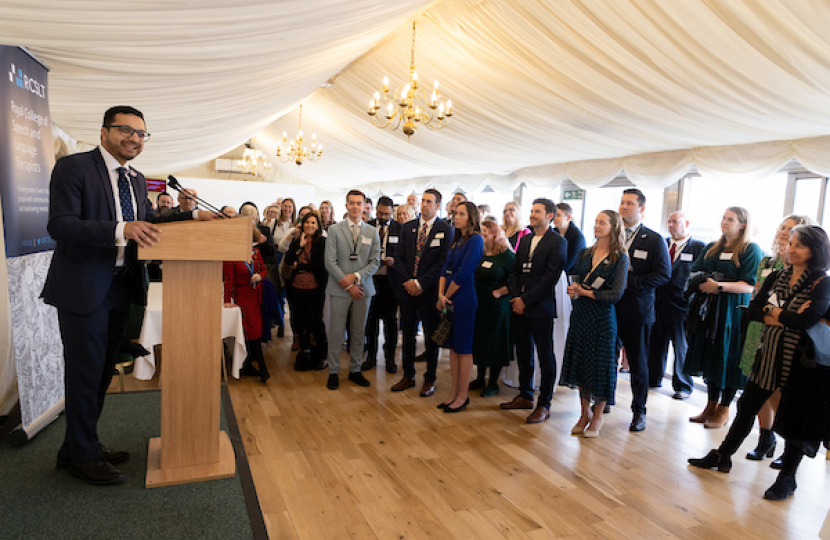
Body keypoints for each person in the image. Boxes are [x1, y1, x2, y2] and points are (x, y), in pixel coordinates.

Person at [42, 105, 215, 485]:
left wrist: (191, 217)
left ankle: (77, 446)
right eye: (126, 130)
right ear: (104, 133)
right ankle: (83, 457)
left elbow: (148, 223)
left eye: (141, 134)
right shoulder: (74, 168)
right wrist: (121, 229)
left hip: (122, 287)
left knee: (102, 371)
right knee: (85, 373)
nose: (135, 139)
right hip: (84, 289)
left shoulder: (136, 179)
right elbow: (61, 225)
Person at [688, 225, 830, 501]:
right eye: (790, 243)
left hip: (801, 363)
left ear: (815, 250)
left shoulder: (822, 283)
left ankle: (788, 475)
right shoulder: (777, 276)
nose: (791, 249)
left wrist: (774, 312)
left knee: (793, 421)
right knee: (746, 406)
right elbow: (751, 312)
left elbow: (808, 321)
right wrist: (779, 314)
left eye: (799, 245)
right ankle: (723, 455)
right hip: (769, 355)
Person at [740, 215, 813, 462]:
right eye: (783, 228)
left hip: (784, 334)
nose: (784, 233)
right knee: (758, 385)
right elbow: (757, 296)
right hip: (758, 328)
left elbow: (792, 312)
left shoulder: (797, 267)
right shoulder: (766, 261)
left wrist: (770, 313)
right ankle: (765, 437)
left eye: (791, 231)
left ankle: (785, 446)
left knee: (780, 391)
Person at [684, 207, 764, 428]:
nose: (724, 222)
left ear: (743, 224)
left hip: (733, 310)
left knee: (728, 356)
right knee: (710, 354)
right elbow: (695, 270)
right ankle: (710, 404)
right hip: (709, 309)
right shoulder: (712, 247)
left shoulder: (750, 249)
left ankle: (724, 408)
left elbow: (749, 285)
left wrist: (718, 286)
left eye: (730, 219)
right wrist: (704, 281)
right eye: (723, 218)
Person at [560, 210, 629, 437]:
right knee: (580, 364)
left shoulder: (620, 258)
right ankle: (584, 413)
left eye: (602, 223)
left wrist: (586, 293)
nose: (597, 226)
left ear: (613, 227)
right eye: (596, 222)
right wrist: (575, 291)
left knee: (600, 368)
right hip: (580, 315)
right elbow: (577, 280)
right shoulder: (585, 253)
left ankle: (598, 416)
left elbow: (615, 295)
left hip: (602, 319)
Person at [501, 198, 567, 424]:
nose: (532, 215)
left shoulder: (558, 242)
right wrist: (516, 296)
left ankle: (544, 403)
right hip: (519, 306)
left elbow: (550, 277)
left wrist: (525, 300)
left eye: (537, 211)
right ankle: (525, 394)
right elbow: (514, 271)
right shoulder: (526, 239)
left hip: (540, 308)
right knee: (523, 352)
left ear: (550, 215)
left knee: (545, 356)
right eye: (531, 211)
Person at [615, 188, 671, 432]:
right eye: (622, 202)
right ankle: (603, 401)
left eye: (629, 203)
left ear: (642, 209)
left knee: (638, 364)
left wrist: (632, 284)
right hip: (610, 306)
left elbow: (663, 274)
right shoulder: (612, 237)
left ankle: (639, 411)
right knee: (608, 358)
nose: (624, 207)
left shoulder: (654, 239)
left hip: (638, 310)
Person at [392, 189, 453, 396]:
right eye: (423, 201)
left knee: (431, 337)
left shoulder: (445, 229)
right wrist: (409, 282)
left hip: (428, 292)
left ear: (437, 205)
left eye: (429, 201)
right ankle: (408, 375)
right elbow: (398, 257)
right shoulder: (408, 227)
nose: (424, 205)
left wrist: (421, 283)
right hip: (407, 290)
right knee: (407, 335)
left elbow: (442, 263)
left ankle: (430, 378)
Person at [324, 190, 380, 389]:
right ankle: (333, 371)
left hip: (363, 289)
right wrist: (348, 285)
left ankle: (355, 369)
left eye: (359, 203)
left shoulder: (372, 232)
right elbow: (330, 262)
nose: (356, 207)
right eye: (352, 203)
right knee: (336, 331)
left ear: (365, 206)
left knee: (358, 331)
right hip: (339, 289)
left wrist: (356, 278)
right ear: (346, 206)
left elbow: (375, 262)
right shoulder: (334, 230)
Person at [647, 211, 705, 399]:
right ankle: (653, 377)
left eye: (675, 221)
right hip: (657, 303)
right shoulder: (661, 244)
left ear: (686, 223)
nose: (671, 225)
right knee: (655, 344)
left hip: (682, 306)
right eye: (669, 222)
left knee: (681, 347)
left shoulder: (698, 247)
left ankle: (683, 386)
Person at [436, 202, 485, 412]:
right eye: (455, 213)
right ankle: (454, 392)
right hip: (448, 297)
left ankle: (463, 395)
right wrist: (440, 294)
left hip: (463, 298)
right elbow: (444, 268)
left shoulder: (475, 240)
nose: (456, 217)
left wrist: (444, 296)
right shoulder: (457, 239)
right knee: (453, 349)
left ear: (471, 217)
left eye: (462, 214)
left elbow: (463, 273)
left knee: (463, 349)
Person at [470, 220, 515, 397]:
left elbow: (516, 281)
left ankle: (493, 382)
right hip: (480, 304)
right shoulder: (481, 253)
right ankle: (480, 377)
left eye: (485, 233)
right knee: (480, 340)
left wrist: (500, 292)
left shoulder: (507, 256)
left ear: (495, 235)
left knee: (495, 342)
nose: (482, 236)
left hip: (497, 306)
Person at [224, 214, 270, 383]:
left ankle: (247, 364)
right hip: (242, 296)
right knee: (252, 331)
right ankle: (263, 369)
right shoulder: (231, 254)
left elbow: (264, 270)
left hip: (257, 294)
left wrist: (260, 275)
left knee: (255, 330)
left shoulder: (256, 251)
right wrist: (227, 300)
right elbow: (229, 279)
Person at [284, 212, 328, 368]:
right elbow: (289, 260)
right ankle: (305, 352)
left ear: (318, 226)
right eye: (307, 222)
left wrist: (300, 266)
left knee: (315, 320)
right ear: (302, 224)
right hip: (297, 285)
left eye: (313, 223)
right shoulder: (297, 240)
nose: (310, 225)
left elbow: (320, 265)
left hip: (315, 286)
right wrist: (300, 247)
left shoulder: (322, 242)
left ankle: (322, 355)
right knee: (300, 320)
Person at [363, 197, 401, 374]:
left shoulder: (400, 229)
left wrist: (394, 261)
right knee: (370, 320)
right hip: (370, 279)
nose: (384, 217)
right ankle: (370, 356)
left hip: (390, 282)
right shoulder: (367, 226)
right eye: (380, 213)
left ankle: (390, 359)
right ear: (376, 210)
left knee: (390, 322)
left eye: (387, 213)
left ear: (392, 212)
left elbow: (404, 255)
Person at [271, 198, 296, 341]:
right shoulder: (274, 223)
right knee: (278, 292)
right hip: (277, 258)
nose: (287, 209)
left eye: (290, 207)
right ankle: (280, 323)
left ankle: (293, 327)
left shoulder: (297, 224)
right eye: (285, 206)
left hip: (290, 259)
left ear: (293, 209)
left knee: (289, 291)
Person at [553, 202, 587, 274]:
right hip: (555, 272)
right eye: (554, 215)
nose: (554, 218)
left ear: (568, 217)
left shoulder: (577, 237)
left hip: (569, 276)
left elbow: (570, 263)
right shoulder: (553, 232)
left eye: (558, 215)